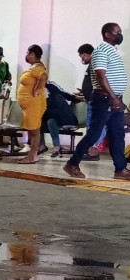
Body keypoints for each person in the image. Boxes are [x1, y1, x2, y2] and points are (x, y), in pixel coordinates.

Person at [64, 23, 130, 180]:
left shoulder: (113, 51)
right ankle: (72, 164)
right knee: (94, 134)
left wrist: (118, 98)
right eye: (117, 32)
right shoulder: (101, 51)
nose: (120, 35)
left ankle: (120, 170)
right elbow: (101, 76)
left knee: (117, 135)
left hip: (114, 100)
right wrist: (113, 98)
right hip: (104, 100)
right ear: (107, 34)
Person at [16, 44, 47, 164]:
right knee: (32, 131)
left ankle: (32, 156)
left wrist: (38, 89)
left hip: (34, 104)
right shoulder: (34, 67)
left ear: (32, 54)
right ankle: (32, 155)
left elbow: (43, 77)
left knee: (34, 132)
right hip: (29, 105)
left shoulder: (38, 67)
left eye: (27, 53)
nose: (26, 55)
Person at [77, 43, 107, 161]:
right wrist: (84, 92)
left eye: (82, 56)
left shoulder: (96, 64)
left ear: (85, 54)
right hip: (91, 101)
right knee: (91, 126)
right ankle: (91, 150)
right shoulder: (92, 65)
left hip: (97, 101)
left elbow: (101, 81)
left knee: (95, 127)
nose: (82, 59)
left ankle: (93, 151)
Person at [41, 81, 84, 157]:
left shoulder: (51, 85)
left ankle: (56, 147)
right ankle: (50, 146)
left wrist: (76, 97)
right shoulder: (34, 87)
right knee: (46, 122)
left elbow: (64, 93)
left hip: (56, 114)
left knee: (56, 99)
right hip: (44, 114)